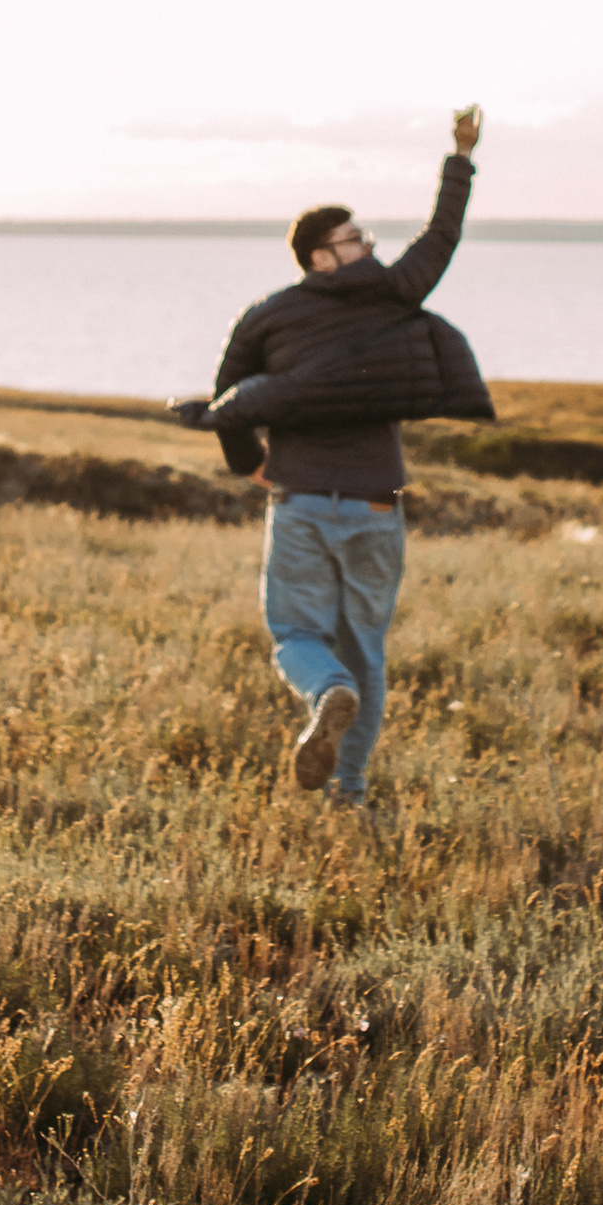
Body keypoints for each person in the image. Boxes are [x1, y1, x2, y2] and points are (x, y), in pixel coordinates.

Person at [201, 106, 483, 806]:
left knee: (296, 633)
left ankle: (326, 694)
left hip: (297, 503)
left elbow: (224, 398)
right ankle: (349, 790)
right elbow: (442, 234)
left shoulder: (269, 315)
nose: (369, 248)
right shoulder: (395, 295)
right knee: (368, 650)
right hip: (374, 507)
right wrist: (461, 154)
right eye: (355, 239)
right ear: (322, 255)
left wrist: (251, 465)